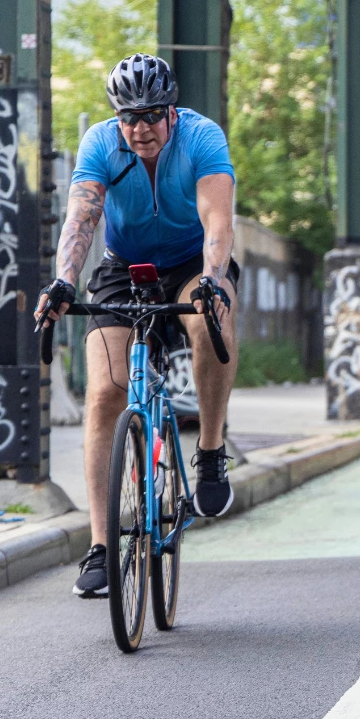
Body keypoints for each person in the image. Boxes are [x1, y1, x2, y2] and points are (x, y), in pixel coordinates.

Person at [33, 54, 239, 599]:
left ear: (172, 112)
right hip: (125, 267)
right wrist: (62, 282)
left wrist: (213, 278)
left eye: (152, 115)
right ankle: (101, 545)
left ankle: (211, 453)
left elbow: (217, 220)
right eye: (130, 117)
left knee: (207, 318)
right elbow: (81, 219)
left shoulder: (201, 137)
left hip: (192, 262)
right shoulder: (101, 144)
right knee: (105, 392)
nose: (141, 128)